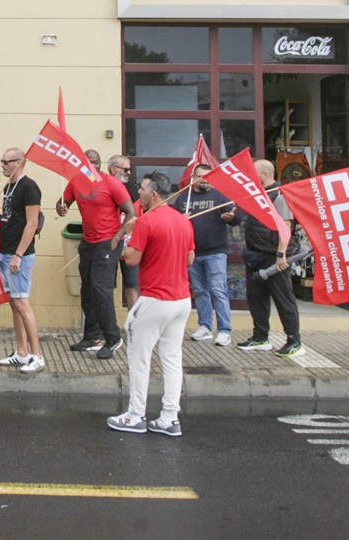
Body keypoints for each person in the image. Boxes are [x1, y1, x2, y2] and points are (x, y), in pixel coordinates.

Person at [109, 172, 195, 437]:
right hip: (181, 300)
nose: (140, 195)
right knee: (171, 358)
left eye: (143, 190)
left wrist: (130, 234)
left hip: (156, 299)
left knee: (140, 359)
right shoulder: (184, 221)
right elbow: (190, 259)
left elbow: (131, 259)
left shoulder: (146, 222)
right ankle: (170, 417)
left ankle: (136, 414)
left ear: (154, 193)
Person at [57, 149, 135, 360]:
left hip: (107, 243)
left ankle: (112, 337)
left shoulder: (112, 184)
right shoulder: (76, 182)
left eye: (95, 162)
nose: (92, 165)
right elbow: (62, 204)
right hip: (88, 242)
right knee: (88, 291)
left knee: (101, 290)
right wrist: (61, 208)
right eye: (88, 162)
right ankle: (92, 336)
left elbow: (131, 212)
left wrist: (117, 237)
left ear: (100, 164)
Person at [237, 160, 303, 357]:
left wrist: (281, 254)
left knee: (284, 299)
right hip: (255, 254)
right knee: (256, 298)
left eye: (253, 174)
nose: (250, 178)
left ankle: (294, 340)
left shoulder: (280, 196)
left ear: (265, 175)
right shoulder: (258, 195)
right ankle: (260, 337)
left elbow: (286, 227)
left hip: (274, 257)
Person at [172, 164, 240, 347]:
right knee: (199, 291)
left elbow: (237, 218)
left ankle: (225, 330)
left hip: (215, 252)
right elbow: (172, 223)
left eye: (209, 176)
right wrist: (181, 221)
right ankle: (205, 326)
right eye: (202, 176)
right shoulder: (183, 198)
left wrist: (231, 218)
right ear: (194, 179)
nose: (206, 180)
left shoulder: (220, 195)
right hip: (193, 253)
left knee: (218, 290)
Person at [0, 148, 45, 373]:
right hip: (6, 252)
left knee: (23, 303)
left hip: (18, 255)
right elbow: (11, 219)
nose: (3, 165)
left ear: (20, 162)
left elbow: (32, 224)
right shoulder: (8, 188)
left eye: (7, 162)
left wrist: (18, 254)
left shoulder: (29, 187)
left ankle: (38, 355)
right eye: (2, 161)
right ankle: (22, 352)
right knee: (14, 302)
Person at [107, 154, 141, 309]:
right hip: (108, 242)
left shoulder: (134, 188)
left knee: (132, 284)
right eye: (126, 169)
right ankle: (108, 326)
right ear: (114, 169)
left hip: (130, 243)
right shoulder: (104, 185)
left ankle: (133, 325)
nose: (129, 172)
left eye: (130, 169)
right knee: (106, 286)